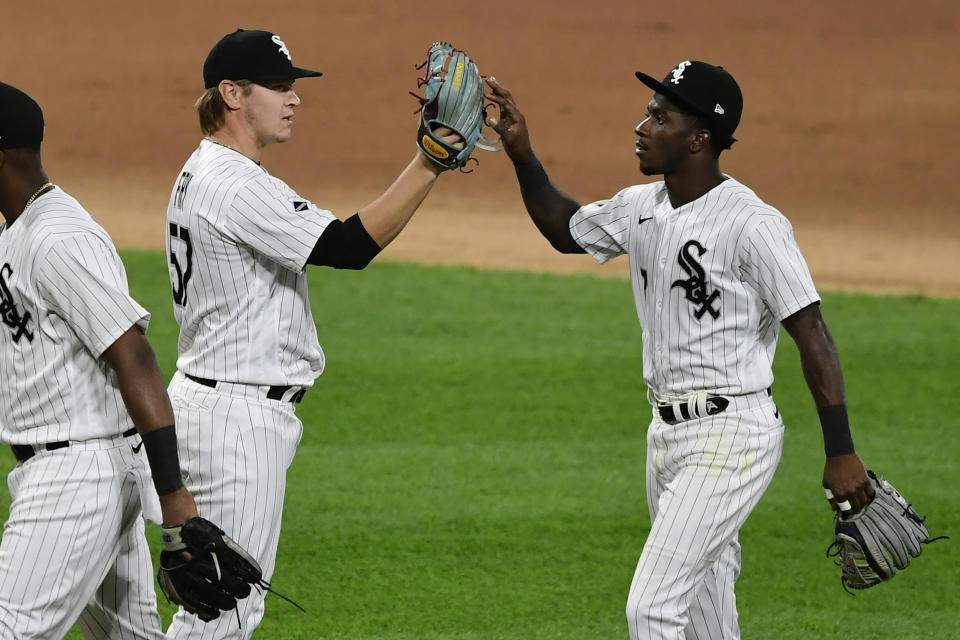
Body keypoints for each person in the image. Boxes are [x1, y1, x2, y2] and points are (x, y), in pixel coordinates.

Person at [485, 62, 874, 639]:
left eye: (659, 117)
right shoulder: (642, 205)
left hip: (732, 435)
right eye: (648, 113)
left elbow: (811, 330)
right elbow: (566, 229)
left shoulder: (753, 224)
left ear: (699, 139)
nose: (641, 125)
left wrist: (841, 450)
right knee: (704, 615)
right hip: (666, 437)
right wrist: (522, 153)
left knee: (652, 608)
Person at [163, 29, 463, 638]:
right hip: (237, 424)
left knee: (211, 607)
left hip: (208, 400)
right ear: (231, 94)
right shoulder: (237, 184)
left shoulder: (200, 169)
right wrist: (429, 162)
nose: (293, 98)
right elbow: (347, 247)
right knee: (225, 611)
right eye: (278, 87)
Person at [0, 82, 202, 639]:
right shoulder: (17, 230)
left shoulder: (58, 237)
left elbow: (133, 355)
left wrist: (175, 496)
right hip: (73, 466)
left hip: (76, 480)